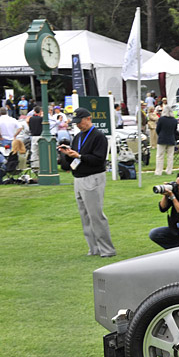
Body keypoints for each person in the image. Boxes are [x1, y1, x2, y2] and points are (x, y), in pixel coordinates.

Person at [58, 108, 116, 257]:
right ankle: (94, 248)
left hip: (93, 177)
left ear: (88, 119)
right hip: (78, 178)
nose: (78, 125)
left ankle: (107, 249)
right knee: (85, 216)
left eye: (80, 122)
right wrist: (68, 154)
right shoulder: (78, 137)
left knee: (96, 215)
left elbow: (99, 159)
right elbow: (75, 158)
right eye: (76, 123)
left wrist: (80, 156)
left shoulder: (98, 136)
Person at [154, 105, 178, 176]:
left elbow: (157, 129)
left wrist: (160, 134)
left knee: (160, 156)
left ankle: (158, 172)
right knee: (170, 156)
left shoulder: (161, 119)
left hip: (162, 138)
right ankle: (169, 171)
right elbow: (175, 130)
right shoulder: (174, 120)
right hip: (171, 139)